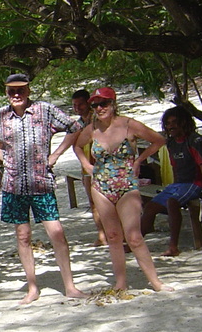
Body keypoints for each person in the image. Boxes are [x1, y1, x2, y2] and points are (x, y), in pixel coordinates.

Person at [0, 72, 87, 305]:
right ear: (6, 92)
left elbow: (75, 127)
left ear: (28, 90)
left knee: (56, 233)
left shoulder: (45, 110)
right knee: (23, 236)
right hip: (14, 185)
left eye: (21, 89)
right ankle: (32, 288)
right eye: (11, 90)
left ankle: (70, 286)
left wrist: (56, 154)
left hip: (42, 182)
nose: (16, 94)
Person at [72, 87, 170, 292]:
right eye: (95, 105)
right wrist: (86, 165)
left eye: (104, 103)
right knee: (114, 236)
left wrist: (139, 160)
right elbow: (78, 146)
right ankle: (120, 283)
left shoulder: (129, 125)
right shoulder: (91, 129)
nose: (100, 108)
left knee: (134, 236)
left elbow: (159, 140)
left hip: (126, 184)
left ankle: (156, 282)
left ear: (113, 103)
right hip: (100, 186)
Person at [140, 107, 202, 255]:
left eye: (175, 122)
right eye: (168, 123)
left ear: (184, 122)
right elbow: (174, 166)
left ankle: (173, 246)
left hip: (195, 183)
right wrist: (172, 186)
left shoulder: (195, 140)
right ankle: (135, 242)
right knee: (150, 207)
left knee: (172, 202)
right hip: (178, 185)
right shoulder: (171, 143)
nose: (171, 126)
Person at [72, 87, 106, 246]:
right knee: (93, 203)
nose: (77, 108)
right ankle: (101, 234)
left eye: (80, 104)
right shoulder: (77, 124)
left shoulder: (98, 119)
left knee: (110, 201)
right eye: (74, 105)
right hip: (86, 166)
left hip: (103, 165)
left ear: (88, 103)